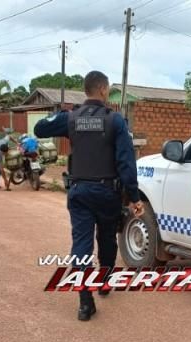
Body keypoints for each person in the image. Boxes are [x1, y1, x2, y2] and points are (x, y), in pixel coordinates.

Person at [34, 70, 144, 321]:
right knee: (107, 239)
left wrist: (62, 116)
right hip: (108, 193)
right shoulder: (115, 121)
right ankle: (104, 283)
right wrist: (135, 198)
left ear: (86, 91)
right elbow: (127, 164)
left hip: (80, 193)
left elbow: (41, 128)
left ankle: (85, 303)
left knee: (81, 246)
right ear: (104, 90)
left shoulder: (71, 118)